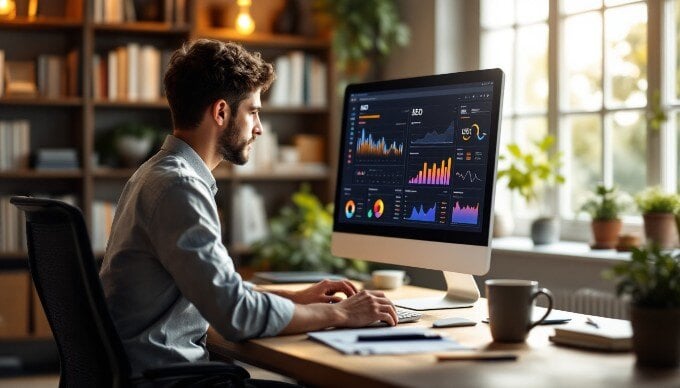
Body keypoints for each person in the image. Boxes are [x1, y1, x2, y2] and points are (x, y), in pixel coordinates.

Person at [99, 38, 398, 384]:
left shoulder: (155, 174)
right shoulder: (179, 188)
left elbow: (216, 290)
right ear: (221, 112)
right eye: (253, 111)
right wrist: (340, 314)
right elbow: (234, 315)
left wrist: (294, 298)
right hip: (165, 379)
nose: (258, 127)